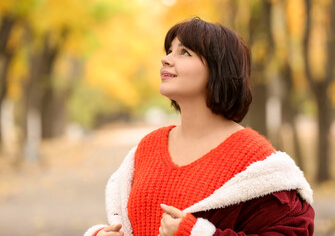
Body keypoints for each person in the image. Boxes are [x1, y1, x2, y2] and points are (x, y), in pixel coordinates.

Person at [84, 17, 314, 236]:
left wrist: (196, 233)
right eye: (169, 51)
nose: (166, 59)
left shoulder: (254, 158)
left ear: (219, 69)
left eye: (184, 52)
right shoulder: (148, 147)